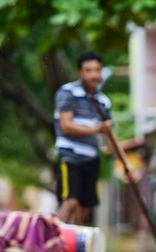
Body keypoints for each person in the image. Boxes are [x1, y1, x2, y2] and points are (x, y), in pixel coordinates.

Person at [54, 52, 115, 225]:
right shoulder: (68, 93)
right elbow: (66, 126)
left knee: (85, 208)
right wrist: (97, 130)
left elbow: (109, 132)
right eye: (88, 70)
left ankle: (77, 249)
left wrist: (119, 157)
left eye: (97, 70)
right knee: (71, 201)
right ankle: (53, 242)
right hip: (70, 156)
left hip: (91, 158)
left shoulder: (103, 101)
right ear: (80, 72)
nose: (93, 75)